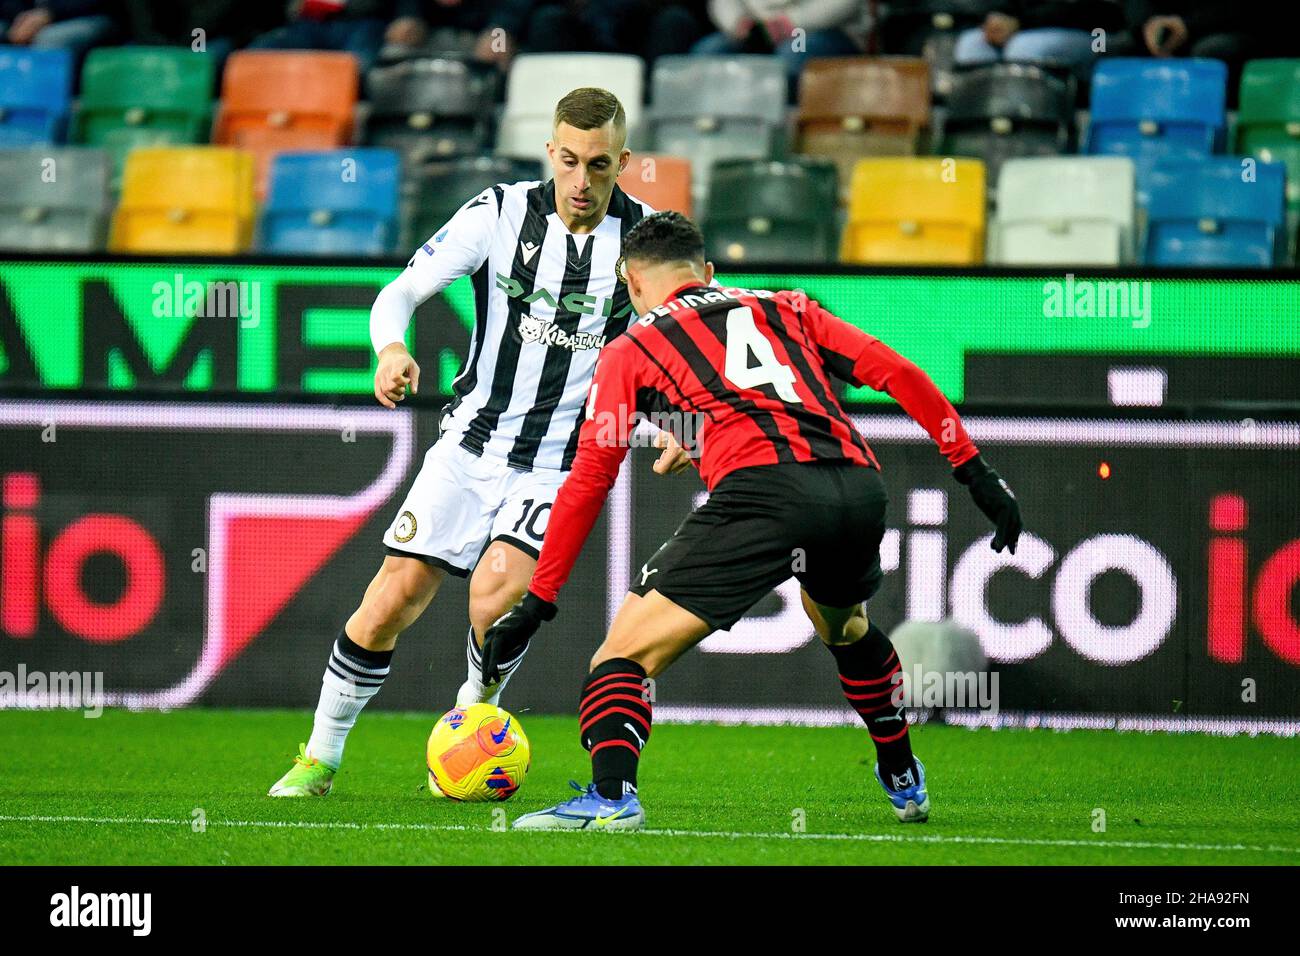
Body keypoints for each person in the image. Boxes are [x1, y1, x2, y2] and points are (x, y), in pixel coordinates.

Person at [480, 211, 1023, 830]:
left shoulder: (631, 349)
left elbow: (589, 479)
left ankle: (610, 798)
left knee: (621, 657)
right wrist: (976, 472)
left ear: (630, 286)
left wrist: (539, 601)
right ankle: (902, 775)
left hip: (764, 495)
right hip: (855, 486)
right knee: (844, 629)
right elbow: (896, 374)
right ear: (709, 274)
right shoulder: (785, 306)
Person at [268, 88, 690, 798]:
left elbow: (692, 337)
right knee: (391, 599)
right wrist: (391, 350)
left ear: (623, 162)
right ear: (549, 154)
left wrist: (690, 422)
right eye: (568, 161)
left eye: (599, 165)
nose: (581, 182)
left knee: (497, 593)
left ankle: (474, 714)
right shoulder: (498, 212)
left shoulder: (648, 239)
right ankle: (321, 755)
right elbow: (399, 292)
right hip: (469, 444)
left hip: (561, 461)